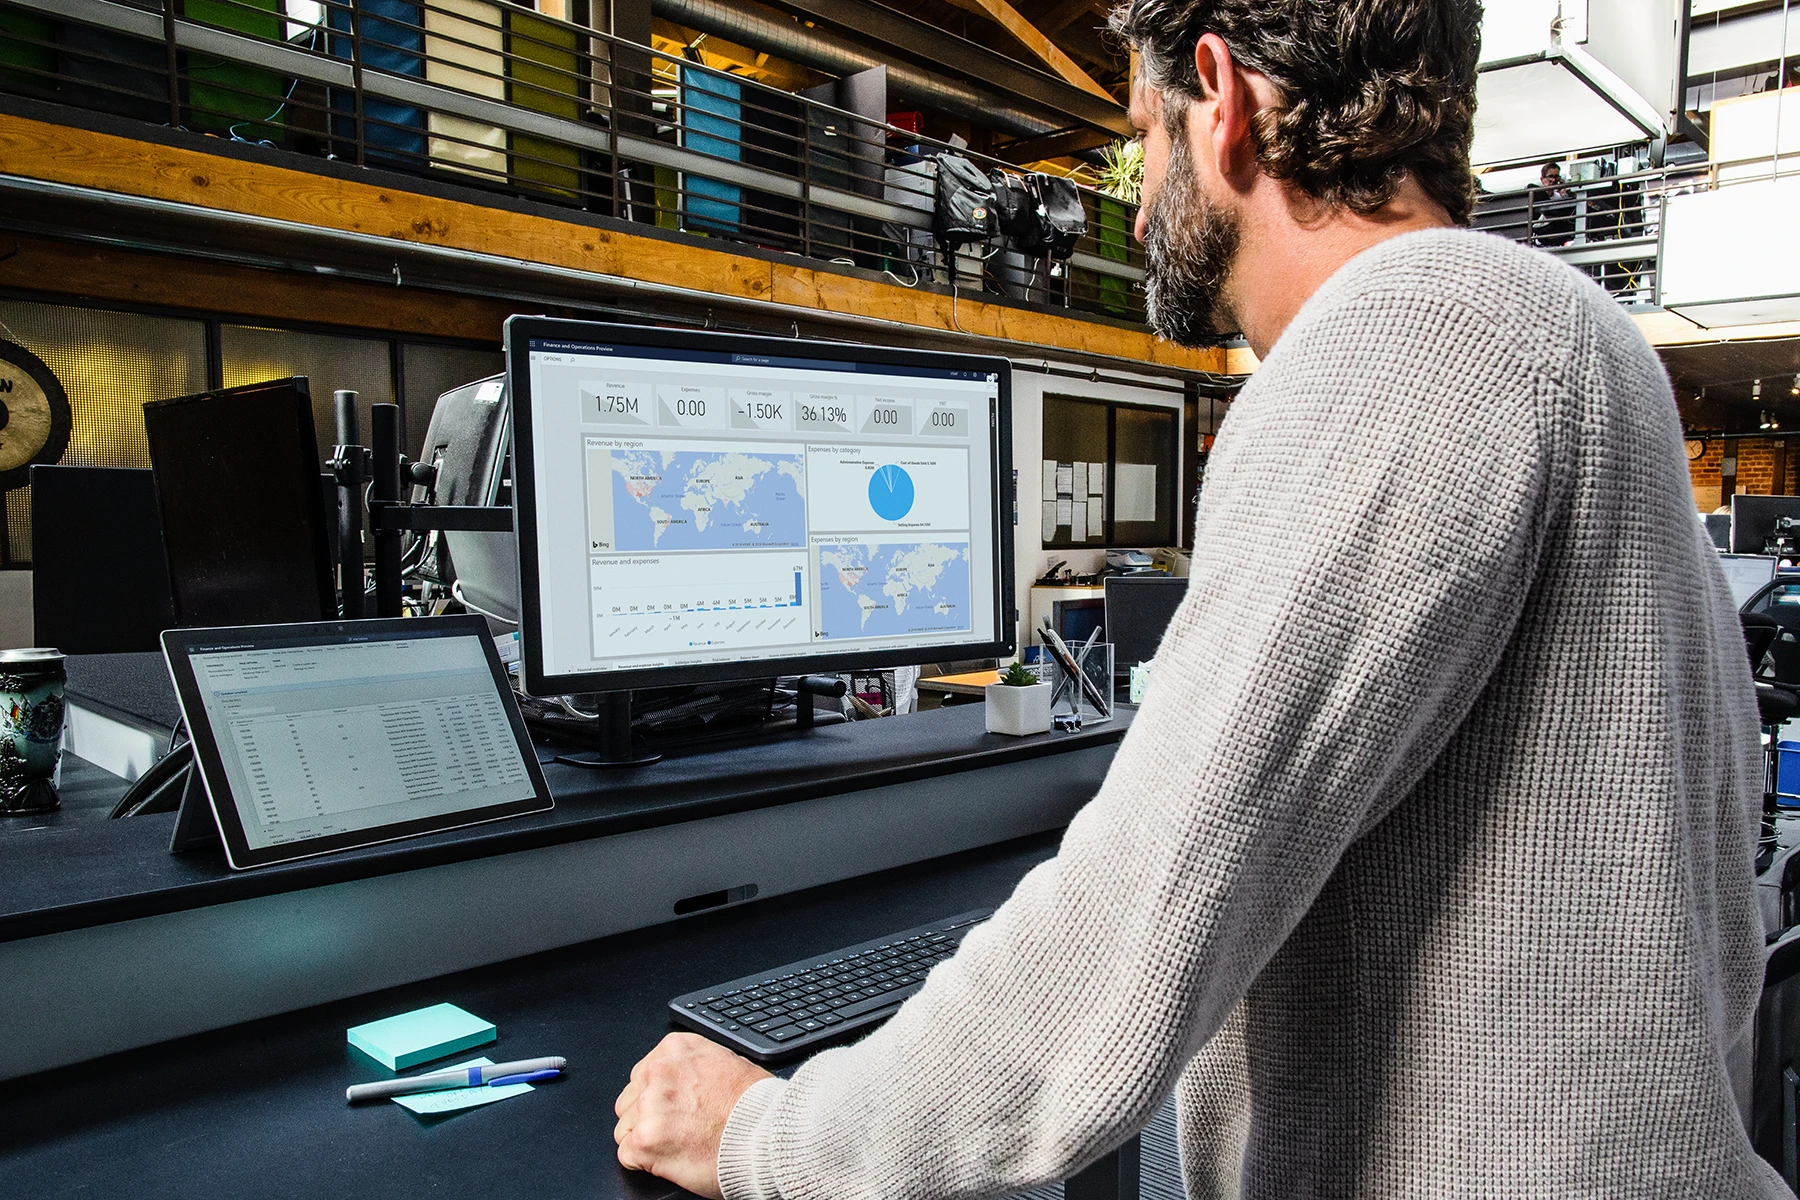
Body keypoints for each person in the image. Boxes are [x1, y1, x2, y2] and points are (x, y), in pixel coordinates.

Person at [613, 1, 1783, 1195]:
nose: (1133, 206)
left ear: (1220, 99)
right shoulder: (1585, 338)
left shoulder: (1411, 334)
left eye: (1142, 135)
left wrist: (764, 1136)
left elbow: (1137, 929)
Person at [1531, 160, 1577, 246]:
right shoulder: (1537, 195)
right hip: (1541, 229)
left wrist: (1564, 194)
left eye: (1556, 177)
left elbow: (1568, 214)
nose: (1553, 180)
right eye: (1550, 176)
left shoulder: (1559, 196)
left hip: (1557, 228)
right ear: (1542, 179)